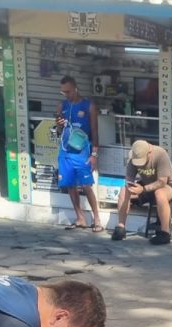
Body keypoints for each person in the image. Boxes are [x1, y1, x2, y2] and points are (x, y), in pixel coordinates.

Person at [112, 139, 172, 245]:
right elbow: (129, 179)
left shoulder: (160, 154)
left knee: (160, 193)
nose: (139, 164)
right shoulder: (133, 157)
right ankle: (121, 227)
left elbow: (162, 181)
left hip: (168, 185)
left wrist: (143, 189)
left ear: (149, 152)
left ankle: (165, 233)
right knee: (124, 190)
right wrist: (131, 187)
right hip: (146, 185)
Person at [56, 75, 101, 231]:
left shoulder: (88, 106)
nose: (66, 95)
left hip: (82, 152)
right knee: (70, 185)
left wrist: (94, 154)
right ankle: (80, 218)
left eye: (68, 91)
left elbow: (95, 131)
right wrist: (58, 124)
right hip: (65, 151)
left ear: (75, 89)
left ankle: (97, 219)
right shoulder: (62, 106)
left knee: (86, 185)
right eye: (63, 92)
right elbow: (59, 131)